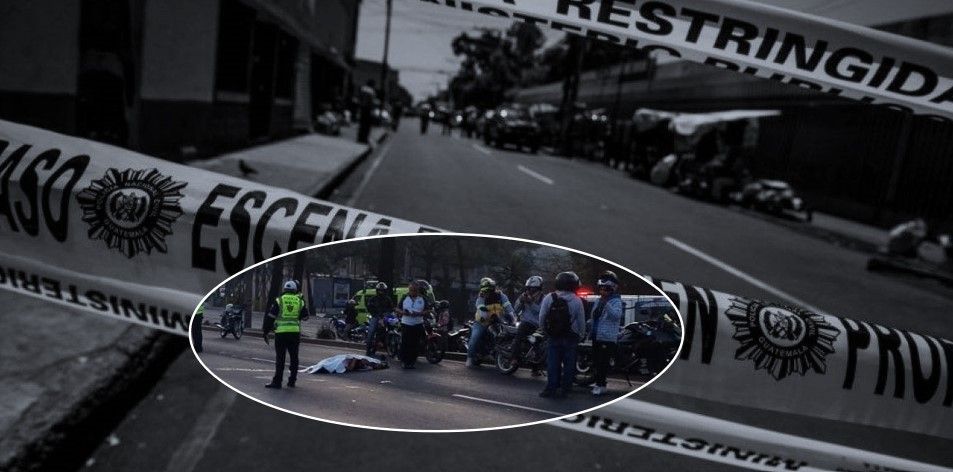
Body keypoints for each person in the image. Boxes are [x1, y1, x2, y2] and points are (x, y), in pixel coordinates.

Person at [538, 271, 586, 398]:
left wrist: (544, 330)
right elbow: (581, 320)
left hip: (554, 335)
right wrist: (581, 335)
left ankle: (551, 387)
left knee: (553, 362)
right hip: (571, 336)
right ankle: (566, 388)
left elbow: (542, 316)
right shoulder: (577, 300)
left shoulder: (549, 297)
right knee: (569, 363)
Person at [263, 280, 310, 389]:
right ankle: (292, 381)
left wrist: (266, 331)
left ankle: (277, 382)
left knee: (280, 358)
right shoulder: (300, 301)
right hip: (294, 333)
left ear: (284, 289)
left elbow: (271, 316)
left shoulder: (280, 300)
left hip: (281, 333)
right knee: (294, 357)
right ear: (295, 290)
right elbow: (306, 317)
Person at [466, 277, 514, 368]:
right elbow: (480, 308)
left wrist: (513, 317)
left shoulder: (501, 296)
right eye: (486, 290)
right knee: (475, 337)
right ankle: (470, 358)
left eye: (490, 289)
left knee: (505, 335)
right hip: (482, 322)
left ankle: (498, 355)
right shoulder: (481, 297)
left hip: (497, 321)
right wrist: (487, 315)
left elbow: (508, 307)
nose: (488, 292)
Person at [589, 271, 623, 396]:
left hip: (607, 338)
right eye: (601, 288)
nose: (603, 291)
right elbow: (594, 316)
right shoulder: (598, 301)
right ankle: (598, 382)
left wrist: (606, 303)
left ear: (612, 289)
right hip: (596, 335)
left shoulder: (616, 301)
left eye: (606, 289)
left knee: (603, 362)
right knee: (597, 361)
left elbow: (616, 316)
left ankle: (601, 385)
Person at [513, 275, 544, 376]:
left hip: (538, 325)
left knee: (538, 345)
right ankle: (514, 358)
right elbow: (516, 309)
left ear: (538, 288)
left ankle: (536, 368)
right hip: (526, 323)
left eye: (533, 288)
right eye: (529, 288)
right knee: (518, 337)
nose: (530, 290)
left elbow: (541, 311)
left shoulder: (544, 298)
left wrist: (531, 303)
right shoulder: (524, 295)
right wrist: (521, 301)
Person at [396, 282, 428, 369]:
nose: (413, 292)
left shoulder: (423, 298)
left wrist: (419, 313)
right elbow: (397, 308)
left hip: (417, 323)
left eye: (415, 290)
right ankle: (404, 361)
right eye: (411, 290)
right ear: (409, 290)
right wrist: (403, 312)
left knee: (415, 344)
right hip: (406, 323)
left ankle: (412, 362)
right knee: (405, 343)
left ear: (418, 290)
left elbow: (428, 310)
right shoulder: (404, 297)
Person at [366, 282, 393, 357]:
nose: (381, 292)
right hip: (376, 317)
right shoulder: (373, 299)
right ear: (377, 290)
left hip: (385, 317)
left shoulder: (388, 299)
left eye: (383, 290)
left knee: (392, 326)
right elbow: (369, 308)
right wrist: (376, 315)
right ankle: (368, 349)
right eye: (380, 290)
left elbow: (391, 308)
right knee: (371, 331)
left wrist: (389, 314)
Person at [357, 80, 376, 144]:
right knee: (367, 126)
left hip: (362, 108)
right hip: (368, 109)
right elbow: (371, 102)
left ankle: (360, 138)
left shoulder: (362, 89)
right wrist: (372, 110)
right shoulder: (371, 91)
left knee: (362, 124)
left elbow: (359, 98)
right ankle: (364, 139)